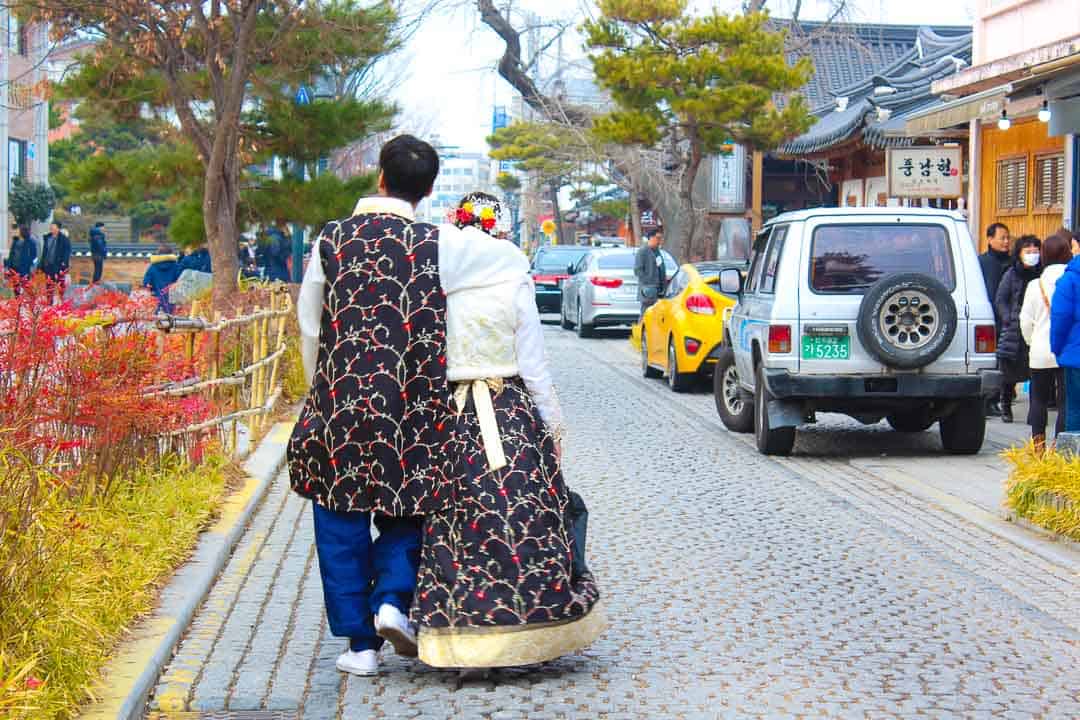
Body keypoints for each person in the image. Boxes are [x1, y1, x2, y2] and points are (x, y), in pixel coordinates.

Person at [289, 135, 526, 678]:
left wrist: (317, 392)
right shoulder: (439, 243)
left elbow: (310, 323)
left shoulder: (332, 238)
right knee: (411, 509)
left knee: (339, 516)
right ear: (430, 189)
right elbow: (507, 260)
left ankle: (360, 646)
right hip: (414, 403)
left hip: (341, 400)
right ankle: (393, 600)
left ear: (379, 175)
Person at [411, 192, 604, 670]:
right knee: (526, 513)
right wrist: (553, 426)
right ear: (497, 229)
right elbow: (533, 361)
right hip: (509, 408)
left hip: (452, 416)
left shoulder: (439, 280)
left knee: (454, 522)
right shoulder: (513, 277)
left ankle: (458, 634)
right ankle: (533, 626)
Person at [1020, 232, 1071, 451]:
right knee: (1064, 402)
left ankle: (1038, 446)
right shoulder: (1072, 281)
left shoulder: (1035, 285)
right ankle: (1058, 446)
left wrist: (1032, 342)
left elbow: (1025, 321)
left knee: (1038, 399)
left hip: (1040, 350)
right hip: (1067, 350)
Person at [994, 235, 1042, 423]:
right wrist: (1008, 318)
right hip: (1014, 329)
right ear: (1019, 254)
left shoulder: (1042, 274)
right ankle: (1005, 405)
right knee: (1009, 373)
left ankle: (1035, 410)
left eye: (1035, 251)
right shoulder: (1011, 273)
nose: (1032, 255)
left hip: (1036, 327)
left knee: (1036, 372)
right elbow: (1001, 299)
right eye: (1028, 252)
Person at [980, 223, 1012, 416]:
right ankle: (989, 400)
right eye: (1002, 238)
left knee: (1006, 360)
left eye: (1008, 238)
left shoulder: (1011, 263)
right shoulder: (981, 262)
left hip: (1007, 317)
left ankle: (1002, 396)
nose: (1006, 242)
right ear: (990, 239)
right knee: (991, 360)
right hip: (989, 316)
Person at [1051, 230, 1080, 433]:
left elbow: (1060, 318)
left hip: (1076, 356)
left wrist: (1057, 349)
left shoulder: (1069, 280)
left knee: (1074, 410)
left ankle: (1073, 460)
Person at [634, 228, 666, 315]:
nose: (659, 241)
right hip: (648, 291)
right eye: (658, 238)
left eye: (661, 238)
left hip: (659, 290)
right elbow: (638, 271)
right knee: (645, 314)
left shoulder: (657, 251)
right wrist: (648, 283)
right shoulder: (643, 251)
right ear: (651, 238)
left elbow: (660, 267)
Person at [143, 243, 181, 313]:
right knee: (173, 320)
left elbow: (146, 283)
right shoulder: (176, 266)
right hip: (172, 301)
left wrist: (149, 287)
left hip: (157, 300)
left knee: (158, 320)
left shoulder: (152, 267)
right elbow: (180, 282)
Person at [40, 221, 72, 299]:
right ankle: (49, 302)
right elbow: (44, 251)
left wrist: (64, 263)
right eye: (51, 227)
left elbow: (67, 253)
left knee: (61, 284)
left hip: (59, 265)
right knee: (49, 284)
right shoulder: (47, 238)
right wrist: (42, 263)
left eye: (53, 227)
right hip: (48, 264)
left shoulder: (64, 239)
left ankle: (62, 301)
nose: (51, 228)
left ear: (58, 228)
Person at [4, 224, 37, 291]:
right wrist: (8, 266)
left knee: (26, 288)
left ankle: (26, 300)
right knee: (16, 288)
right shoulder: (15, 241)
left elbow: (35, 257)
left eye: (18, 230)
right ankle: (17, 300)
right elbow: (11, 255)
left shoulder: (31, 242)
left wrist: (31, 266)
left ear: (22, 232)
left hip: (24, 269)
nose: (17, 232)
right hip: (14, 268)